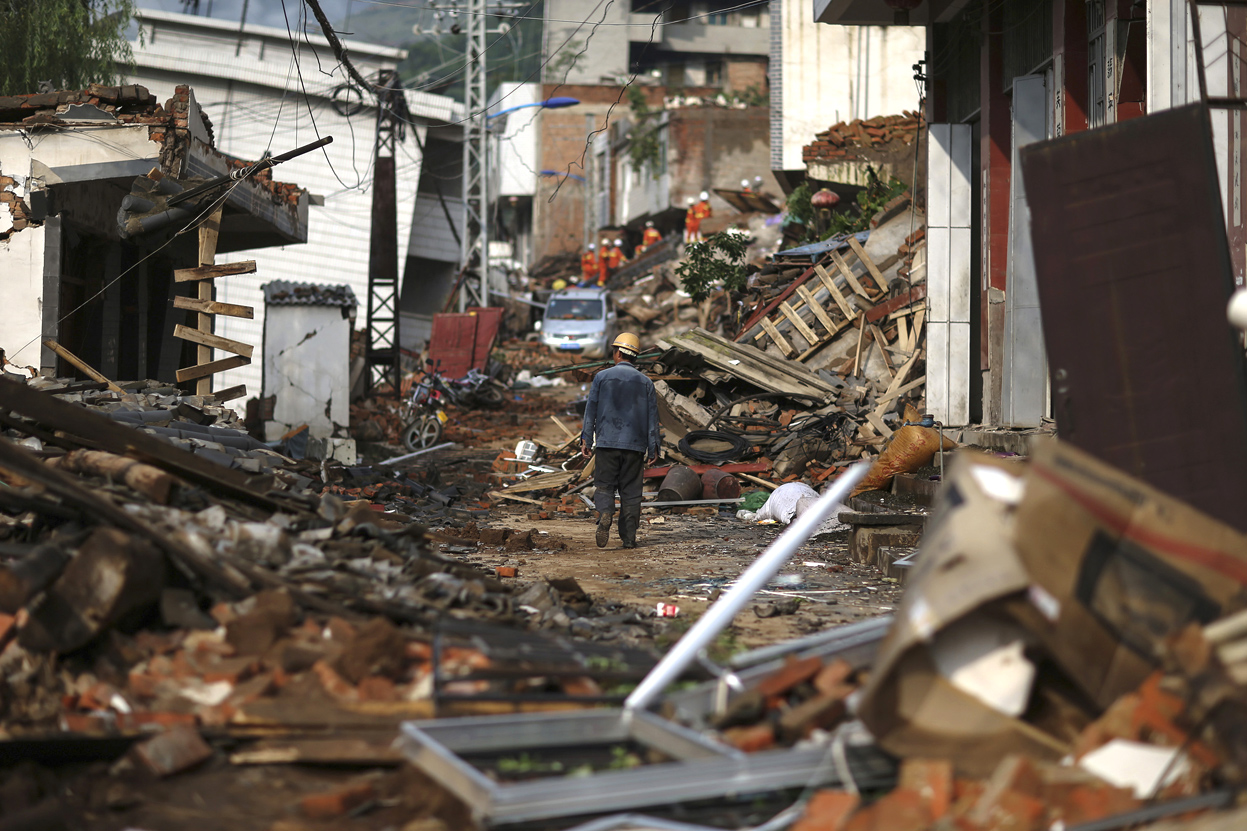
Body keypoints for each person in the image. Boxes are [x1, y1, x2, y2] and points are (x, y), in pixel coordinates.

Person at [580, 332, 660, 549]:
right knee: (632, 493)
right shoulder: (646, 383)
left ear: (617, 353)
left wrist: (586, 439)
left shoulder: (601, 378)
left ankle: (606, 513)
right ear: (635, 357)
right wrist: (654, 448)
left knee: (604, 486)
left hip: (607, 442)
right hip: (635, 446)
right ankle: (629, 538)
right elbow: (652, 418)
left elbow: (591, 412)